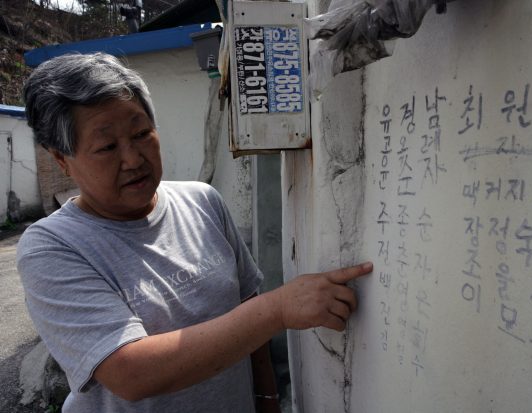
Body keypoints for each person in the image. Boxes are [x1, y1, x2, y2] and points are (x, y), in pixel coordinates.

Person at [17, 52, 373, 413]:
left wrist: (266, 400)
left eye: (142, 134)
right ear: (62, 159)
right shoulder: (52, 246)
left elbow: (247, 314)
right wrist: (278, 309)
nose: (134, 159)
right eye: (107, 147)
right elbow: (130, 373)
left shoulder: (202, 201)